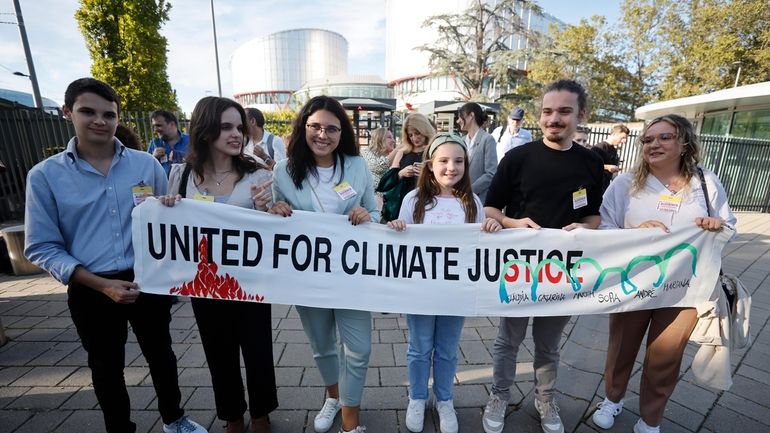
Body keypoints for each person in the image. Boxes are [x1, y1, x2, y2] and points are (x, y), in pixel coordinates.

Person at [24, 77, 207, 433]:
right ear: (67, 113)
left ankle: (174, 419)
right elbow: (42, 246)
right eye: (87, 111)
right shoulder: (45, 176)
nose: (99, 121)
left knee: (163, 357)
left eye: (108, 114)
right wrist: (101, 285)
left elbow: (163, 224)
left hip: (146, 281)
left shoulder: (145, 165)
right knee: (106, 367)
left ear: (117, 117)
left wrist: (171, 209)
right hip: (90, 287)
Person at [592, 114, 736, 433]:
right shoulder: (624, 184)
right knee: (621, 347)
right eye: (647, 139)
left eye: (664, 137)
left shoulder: (705, 182)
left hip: (685, 287)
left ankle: (651, 417)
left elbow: (730, 226)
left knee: (665, 356)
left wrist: (717, 227)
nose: (653, 144)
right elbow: (603, 227)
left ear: (684, 143)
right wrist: (637, 232)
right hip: (633, 283)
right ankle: (612, 399)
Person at [482, 79, 604, 433]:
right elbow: (489, 209)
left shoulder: (591, 163)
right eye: (548, 111)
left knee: (548, 345)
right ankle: (500, 395)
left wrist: (587, 229)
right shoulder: (518, 158)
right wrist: (510, 222)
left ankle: (545, 398)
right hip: (518, 269)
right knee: (508, 340)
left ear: (580, 115)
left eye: (564, 111)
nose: (554, 119)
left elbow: (593, 215)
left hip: (564, 271)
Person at [158, 97, 277, 433]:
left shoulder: (256, 173)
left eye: (239, 127)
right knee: (218, 354)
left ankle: (261, 415)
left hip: (251, 283)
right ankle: (232, 417)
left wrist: (267, 208)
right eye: (226, 127)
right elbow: (173, 230)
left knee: (257, 353)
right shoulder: (182, 176)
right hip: (205, 283)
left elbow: (273, 231)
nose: (236, 134)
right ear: (206, 130)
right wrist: (168, 207)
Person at [269, 95, 379, 433]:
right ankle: (334, 397)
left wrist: (367, 215)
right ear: (303, 127)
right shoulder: (284, 172)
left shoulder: (357, 166)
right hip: (309, 279)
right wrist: (275, 211)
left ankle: (351, 421)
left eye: (331, 128)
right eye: (315, 126)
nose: (323, 134)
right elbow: (276, 217)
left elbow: (375, 212)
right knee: (322, 346)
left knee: (358, 349)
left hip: (352, 276)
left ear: (341, 133)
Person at [388, 132, 502, 433]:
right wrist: (398, 227)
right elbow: (401, 244)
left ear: (466, 165)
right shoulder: (414, 200)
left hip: (455, 294)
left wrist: (491, 226)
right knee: (419, 347)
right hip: (421, 293)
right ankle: (417, 397)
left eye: (459, 161)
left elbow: (480, 243)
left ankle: (444, 399)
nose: (451, 167)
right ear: (430, 164)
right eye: (443, 161)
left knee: (448, 348)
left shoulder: (472, 202)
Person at [377, 113, 435, 222]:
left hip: (429, 204)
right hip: (402, 205)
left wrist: (428, 172)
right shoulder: (403, 152)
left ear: (424, 129)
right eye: (410, 135)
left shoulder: (434, 151)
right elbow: (385, 183)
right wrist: (401, 173)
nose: (414, 138)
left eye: (417, 133)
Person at [456, 102, 497, 202]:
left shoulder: (487, 139)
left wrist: (469, 190)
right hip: (458, 198)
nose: (458, 121)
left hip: (478, 199)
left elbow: (490, 173)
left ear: (471, 116)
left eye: (461, 117)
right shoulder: (461, 140)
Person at [148, 109, 190, 176]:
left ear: (172, 124)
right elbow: (146, 169)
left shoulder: (190, 141)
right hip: (163, 185)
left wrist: (183, 157)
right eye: (154, 126)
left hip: (187, 185)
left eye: (158, 125)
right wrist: (153, 158)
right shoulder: (154, 143)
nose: (155, 130)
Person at [362, 127, 397, 203]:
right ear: (379, 138)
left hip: (384, 202)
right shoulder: (366, 152)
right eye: (389, 137)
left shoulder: (389, 156)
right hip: (367, 203)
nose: (393, 141)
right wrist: (397, 150)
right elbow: (378, 167)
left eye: (393, 138)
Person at [592, 124, 629, 192]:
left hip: (606, 184)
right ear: (614, 134)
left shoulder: (614, 150)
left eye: (625, 138)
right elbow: (590, 165)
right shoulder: (599, 147)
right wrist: (608, 167)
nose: (624, 141)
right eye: (622, 137)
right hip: (595, 185)